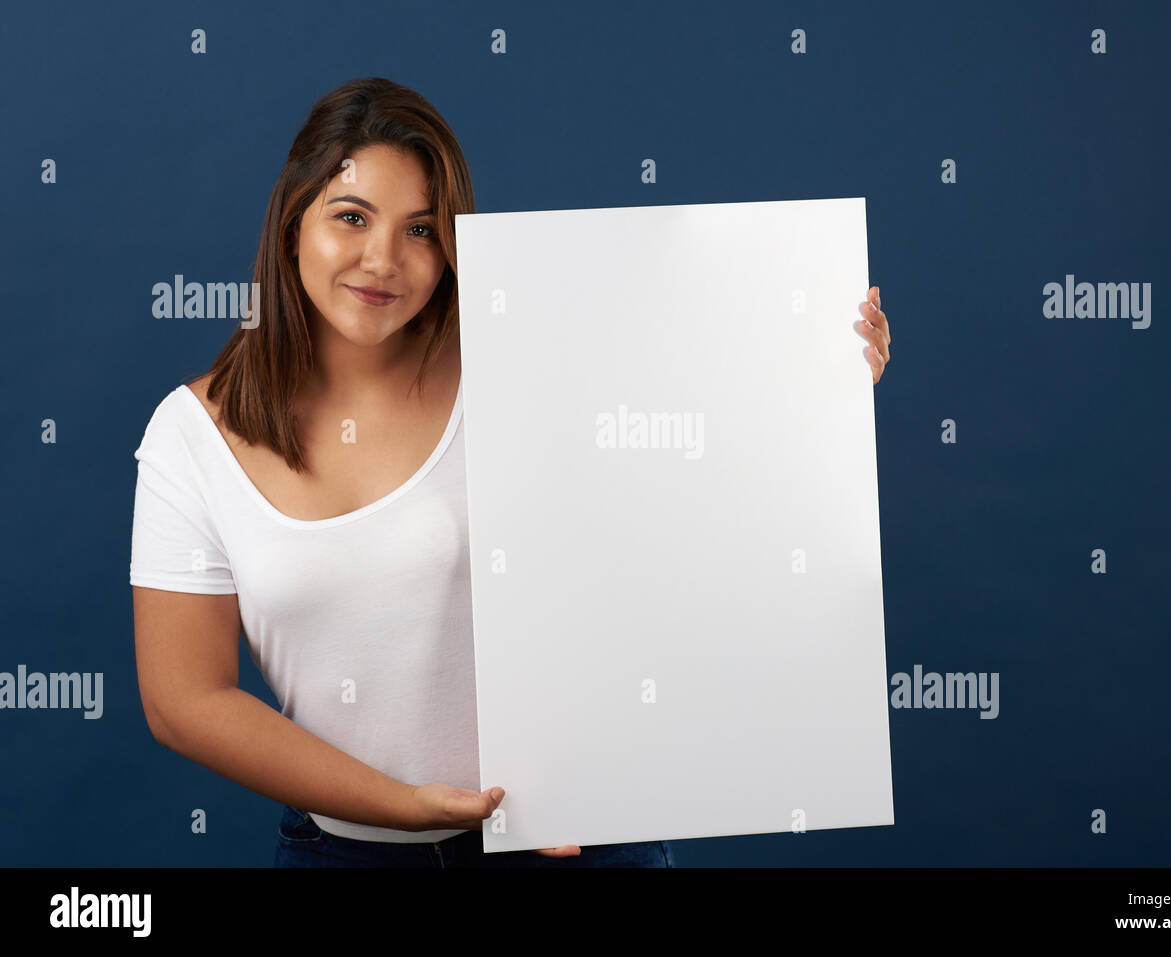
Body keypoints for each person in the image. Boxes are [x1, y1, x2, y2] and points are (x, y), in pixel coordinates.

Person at [129, 77, 893, 869]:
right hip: (345, 855)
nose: (383, 259)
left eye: (421, 229)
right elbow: (186, 700)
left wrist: (821, 394)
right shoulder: (192, 438)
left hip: (570, 842)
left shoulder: (521, 358)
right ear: (293, 222)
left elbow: (691, 481)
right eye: (351, 216)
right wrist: (406, 804)